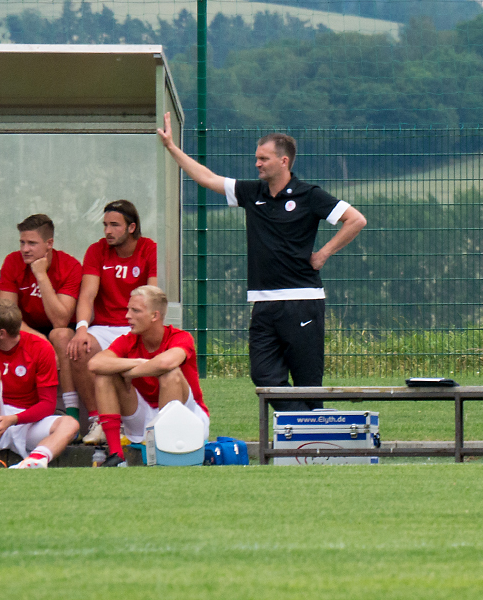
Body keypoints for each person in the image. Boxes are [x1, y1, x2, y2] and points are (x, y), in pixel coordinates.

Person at [157, 112, 366, 410]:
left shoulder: (310, 195)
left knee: (308, 384)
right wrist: (171, 147)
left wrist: (323, 254)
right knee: (264, 376)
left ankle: (311, 445)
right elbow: (206, 177)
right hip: (263, 303)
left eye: (264, 158)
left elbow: (356, 220)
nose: (257, 163)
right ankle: (300, 429)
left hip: (302, 300)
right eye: (257, 158)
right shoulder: (251, 192)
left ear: (284, 161)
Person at [66, 200, 158, 444]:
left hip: (135, 326)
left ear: (131, 227)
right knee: (78, 349)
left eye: (114, 225)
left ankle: (144, 424)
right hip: (105, 327)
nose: (107, 231)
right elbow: (87, 295)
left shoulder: (149, 249)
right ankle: (99, 421)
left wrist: (145, 327)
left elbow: (153, 294)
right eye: (105, 225)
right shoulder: (96, 250)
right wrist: (82, 329)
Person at [88, 285, 209, 467]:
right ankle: (116, 455)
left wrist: (128, 373)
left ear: (155, 316)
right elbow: (94, 364)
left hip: (187, 417)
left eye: (135, 310)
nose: (128, 315)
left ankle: (165, 453)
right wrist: (139, 362)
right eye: (128, 309)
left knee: (171, 374)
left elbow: (165, 363)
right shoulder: (128, 340)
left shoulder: (180, 337)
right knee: (104, 375)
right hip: (142, 416)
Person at [0, 297, 79, 469]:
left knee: (70, 423)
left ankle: (36, 460)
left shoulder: (41, 348)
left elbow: (48, 404)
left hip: (24, 422)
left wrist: (14, 419)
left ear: (1, 334)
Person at [0, 214, 82, 420]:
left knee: (61, 335)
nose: (25, 249)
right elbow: (7, 313)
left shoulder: (69, 266)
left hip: (58, 331)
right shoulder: (12, 261)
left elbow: (60, 320)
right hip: (23, 328)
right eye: (22, 242)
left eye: (32, 243)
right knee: (0, 335)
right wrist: (40, 340)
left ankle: (72, 413)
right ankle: (10, 412)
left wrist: (41, 275)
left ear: (49, 243)